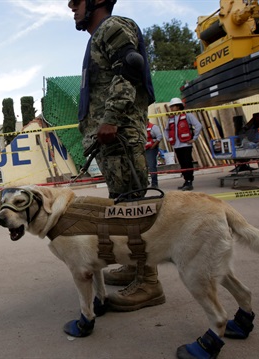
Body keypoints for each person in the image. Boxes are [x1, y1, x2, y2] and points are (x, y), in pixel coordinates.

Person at [68, 0, 165, 314]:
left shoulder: (112, 26)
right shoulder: (98, 37)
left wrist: (110, 118)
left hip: (118, 132)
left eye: (76, 1)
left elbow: (130, 69)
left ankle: (149, 282)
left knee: (134, 209)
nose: (71, 6)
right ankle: (136, 266)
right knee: (124, 207)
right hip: (111, 136)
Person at [165, 97, 202, 191]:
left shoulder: (187, 115)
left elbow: (198, 125)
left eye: (173, 106)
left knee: (187, 162)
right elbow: (166, 130)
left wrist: (194, 138)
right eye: (171, 106)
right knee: (182, 164)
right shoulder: (171, 117)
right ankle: (186, 180)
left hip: (185, 144)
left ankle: (190, 181)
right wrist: (169, 139)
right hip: (176, 145)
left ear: (178, 106)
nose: (171, 108)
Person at [145, 121, 163, 188]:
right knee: (143, 166)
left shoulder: (153, 127)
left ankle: (154, 183)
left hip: (151, 149)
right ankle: (145, 182)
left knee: (152, 165)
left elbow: (159, 137)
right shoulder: (140, 127)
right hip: (142, 149)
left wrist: (153, 146)